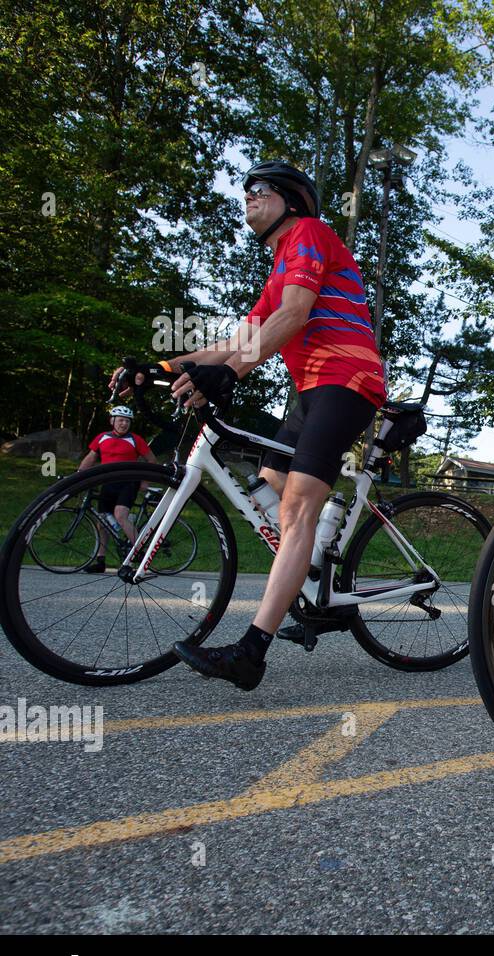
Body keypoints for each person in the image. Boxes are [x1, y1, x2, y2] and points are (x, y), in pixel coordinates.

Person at [113, 160, 387, 689]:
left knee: (296, 505)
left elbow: (295, 316)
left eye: (256, 191)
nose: (247, 199)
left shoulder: (308, 233)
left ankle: (251, 654)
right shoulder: (279, 265)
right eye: (244, 193)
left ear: (290, 199)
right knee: (268, 487)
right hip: (309, 390)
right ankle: (310, 576)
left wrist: (229, 375)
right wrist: (165, 367)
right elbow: (239, 339)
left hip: (346, 379)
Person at [77, 406, 159, 572]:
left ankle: (141, 555)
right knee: (102, 521)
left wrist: (145, 481)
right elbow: (91, 458)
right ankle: (100, 561)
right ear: (112, 421)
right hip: (107, 483)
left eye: (127, 421)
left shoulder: (135, 439)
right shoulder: (102, 438)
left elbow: (152, 461)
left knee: (120, 515)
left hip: (128, 482)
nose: (124, 424)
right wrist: (77, 476)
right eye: (120, 420)